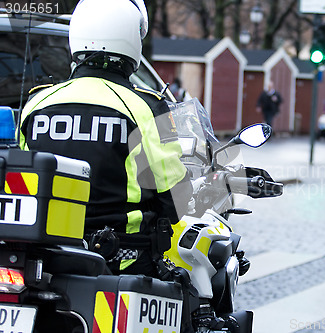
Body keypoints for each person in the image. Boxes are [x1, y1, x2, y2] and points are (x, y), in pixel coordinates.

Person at [17, 0, 193, 277]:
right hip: (122, 260)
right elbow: (174, 193)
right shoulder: (145, 107)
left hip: (43, 257)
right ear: (132, 41)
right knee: (189, 299)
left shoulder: (37, 102)